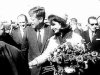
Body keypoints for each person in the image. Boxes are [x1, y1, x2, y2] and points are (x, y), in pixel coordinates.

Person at [27, 6, 54, 75]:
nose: (31, 22)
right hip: (33, 69)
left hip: (49, 69)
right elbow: (24, 50)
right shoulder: (28, 30)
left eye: (33, 20)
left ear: (40, 19)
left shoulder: (51, 30)